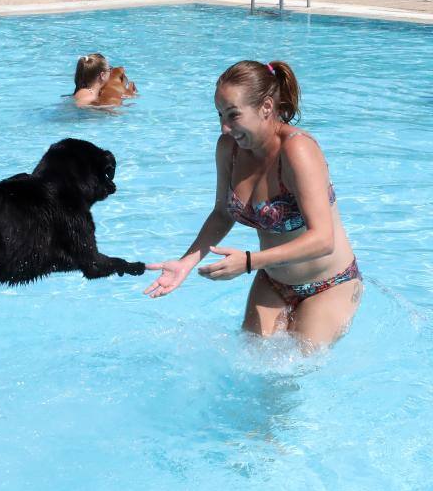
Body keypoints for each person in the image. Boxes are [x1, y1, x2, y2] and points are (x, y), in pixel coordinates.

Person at [145, 60, 362, 349]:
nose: (225, 127)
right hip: (273, 282)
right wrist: (186, 262)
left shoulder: (297, 150)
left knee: (296, 367)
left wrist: (249, 262)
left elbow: (323, 239)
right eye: (220, 115)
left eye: (233, 115)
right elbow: (222, 213)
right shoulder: (229, 149)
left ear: (266, 107)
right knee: (251, 361)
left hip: (328, 285)